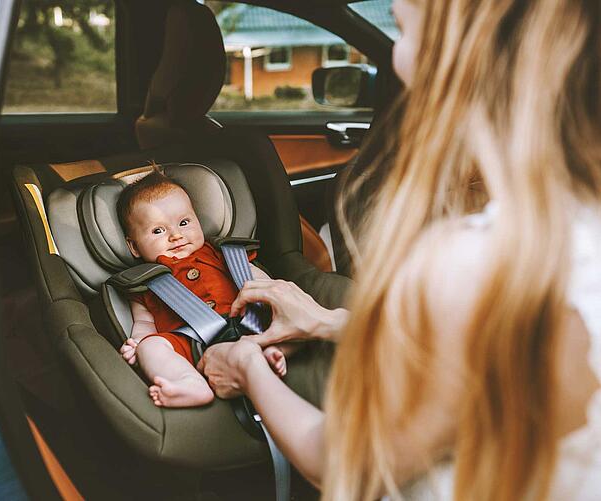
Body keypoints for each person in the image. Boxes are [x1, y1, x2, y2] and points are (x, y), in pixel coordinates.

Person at [199, 0, 601, 499]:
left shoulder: (469, 264)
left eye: (404, 27)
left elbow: (344, 462)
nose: (392, 58)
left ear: (452, 43)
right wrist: (326, 319)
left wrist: (248, 368)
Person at [116, 168, 287, 408]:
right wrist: (138, 343)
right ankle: (189, 382)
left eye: (184, 222)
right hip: (190, 344)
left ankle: (268, 353)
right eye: (158, 230)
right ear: (134, 247)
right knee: (151, 347)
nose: (176, 235)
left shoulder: (223, 254)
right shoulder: (144, 281)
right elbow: (144, 323)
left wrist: (272, 293)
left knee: (279, 314)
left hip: (247, 323)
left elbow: (255, 279)